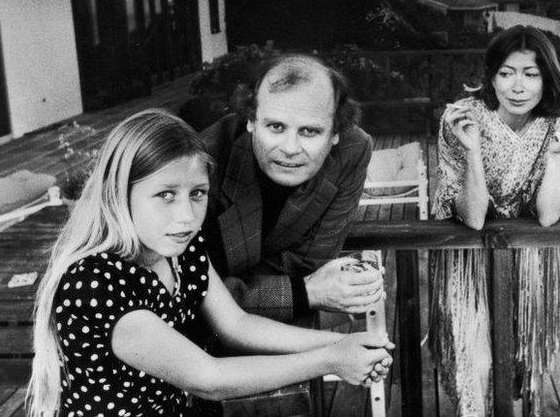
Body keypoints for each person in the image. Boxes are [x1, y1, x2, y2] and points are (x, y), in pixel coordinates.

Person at [26, 109, 392, 416]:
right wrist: (330, 360)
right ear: (118, 193)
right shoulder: (96, 281)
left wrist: (339, 342)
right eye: (166, 195)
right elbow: (207, 377)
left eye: (197, 194)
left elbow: (237, 324)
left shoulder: (180, 250)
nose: (186, 216)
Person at [430, 26, 560, 415]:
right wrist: (473, 153)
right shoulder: (461, 118)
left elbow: (548, 215)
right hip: (470, 260)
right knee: (475, 364)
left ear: (546, 79)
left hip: (528, 262)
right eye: (506, 72)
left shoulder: (557, 123)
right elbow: (474, 217)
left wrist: (559, 153)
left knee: (524, 363)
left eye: (530, 74)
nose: (517, 86)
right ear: (492, 75)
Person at [199, 54, 383, 323]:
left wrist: (291, 290)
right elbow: (189, 289)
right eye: (275, 127)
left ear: (335, 134)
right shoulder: (204, 159)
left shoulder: (352, 150)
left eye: (309, 131)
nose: (290, 148)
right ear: (250, 120)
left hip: (287, 323)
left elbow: (310, 262)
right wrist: (304, 291)